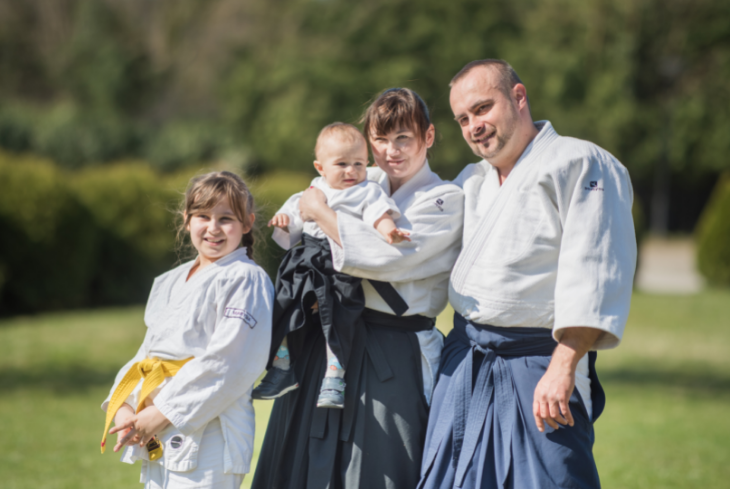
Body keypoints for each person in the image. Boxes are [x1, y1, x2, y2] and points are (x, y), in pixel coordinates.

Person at [418, 59, 637, 489]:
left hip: (539, 363)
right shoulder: (471, 181)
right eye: (463, 119)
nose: (473, 126)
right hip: (465, 361)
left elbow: (595, 270)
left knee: (549, 479)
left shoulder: (581, 163)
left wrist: (563, 366)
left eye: (482, 109)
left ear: (518, 97)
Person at [251, 88, 464, 489]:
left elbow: (389, 259)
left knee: (378, 467)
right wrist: (303, 216)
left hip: (393, 346)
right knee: (301, 458)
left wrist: (321, 213)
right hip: (329, 337)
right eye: (380, 140)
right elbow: (302, 231)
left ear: (429, 137)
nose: (391, 151)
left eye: (404, 138)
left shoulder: (445, 199)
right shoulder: (357, 180)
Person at [99, 172, 274, 489]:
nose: (213, 228)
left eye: (226, 218)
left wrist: (164, 412)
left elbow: (228, 362)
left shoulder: (245, 278)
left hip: (208, 432)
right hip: (157, 424)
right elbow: (147, 354)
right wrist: (125, 405)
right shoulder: (169, 280)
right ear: (186, 219)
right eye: (203, 216)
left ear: (247, 223)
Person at [252, 122, 409, 409]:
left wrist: (389, 231)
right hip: (306, 259)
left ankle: (334, 377)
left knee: (336, 318)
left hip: (340, 265)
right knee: (288, 308)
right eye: (342, 164)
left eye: (358, 163)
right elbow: (294, 211)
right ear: (320, 166)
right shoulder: (315, 189)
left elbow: (379, 214)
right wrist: (284, 220)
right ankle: (281, 367)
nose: (351, 171)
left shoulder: (367, 191)